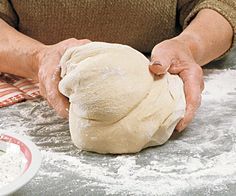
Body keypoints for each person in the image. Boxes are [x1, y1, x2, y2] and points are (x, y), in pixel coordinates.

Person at [0, 0, 235, 131]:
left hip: (165, 73)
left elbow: (220, 5)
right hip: (34, 75)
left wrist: (190, 46)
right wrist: (37, 57)